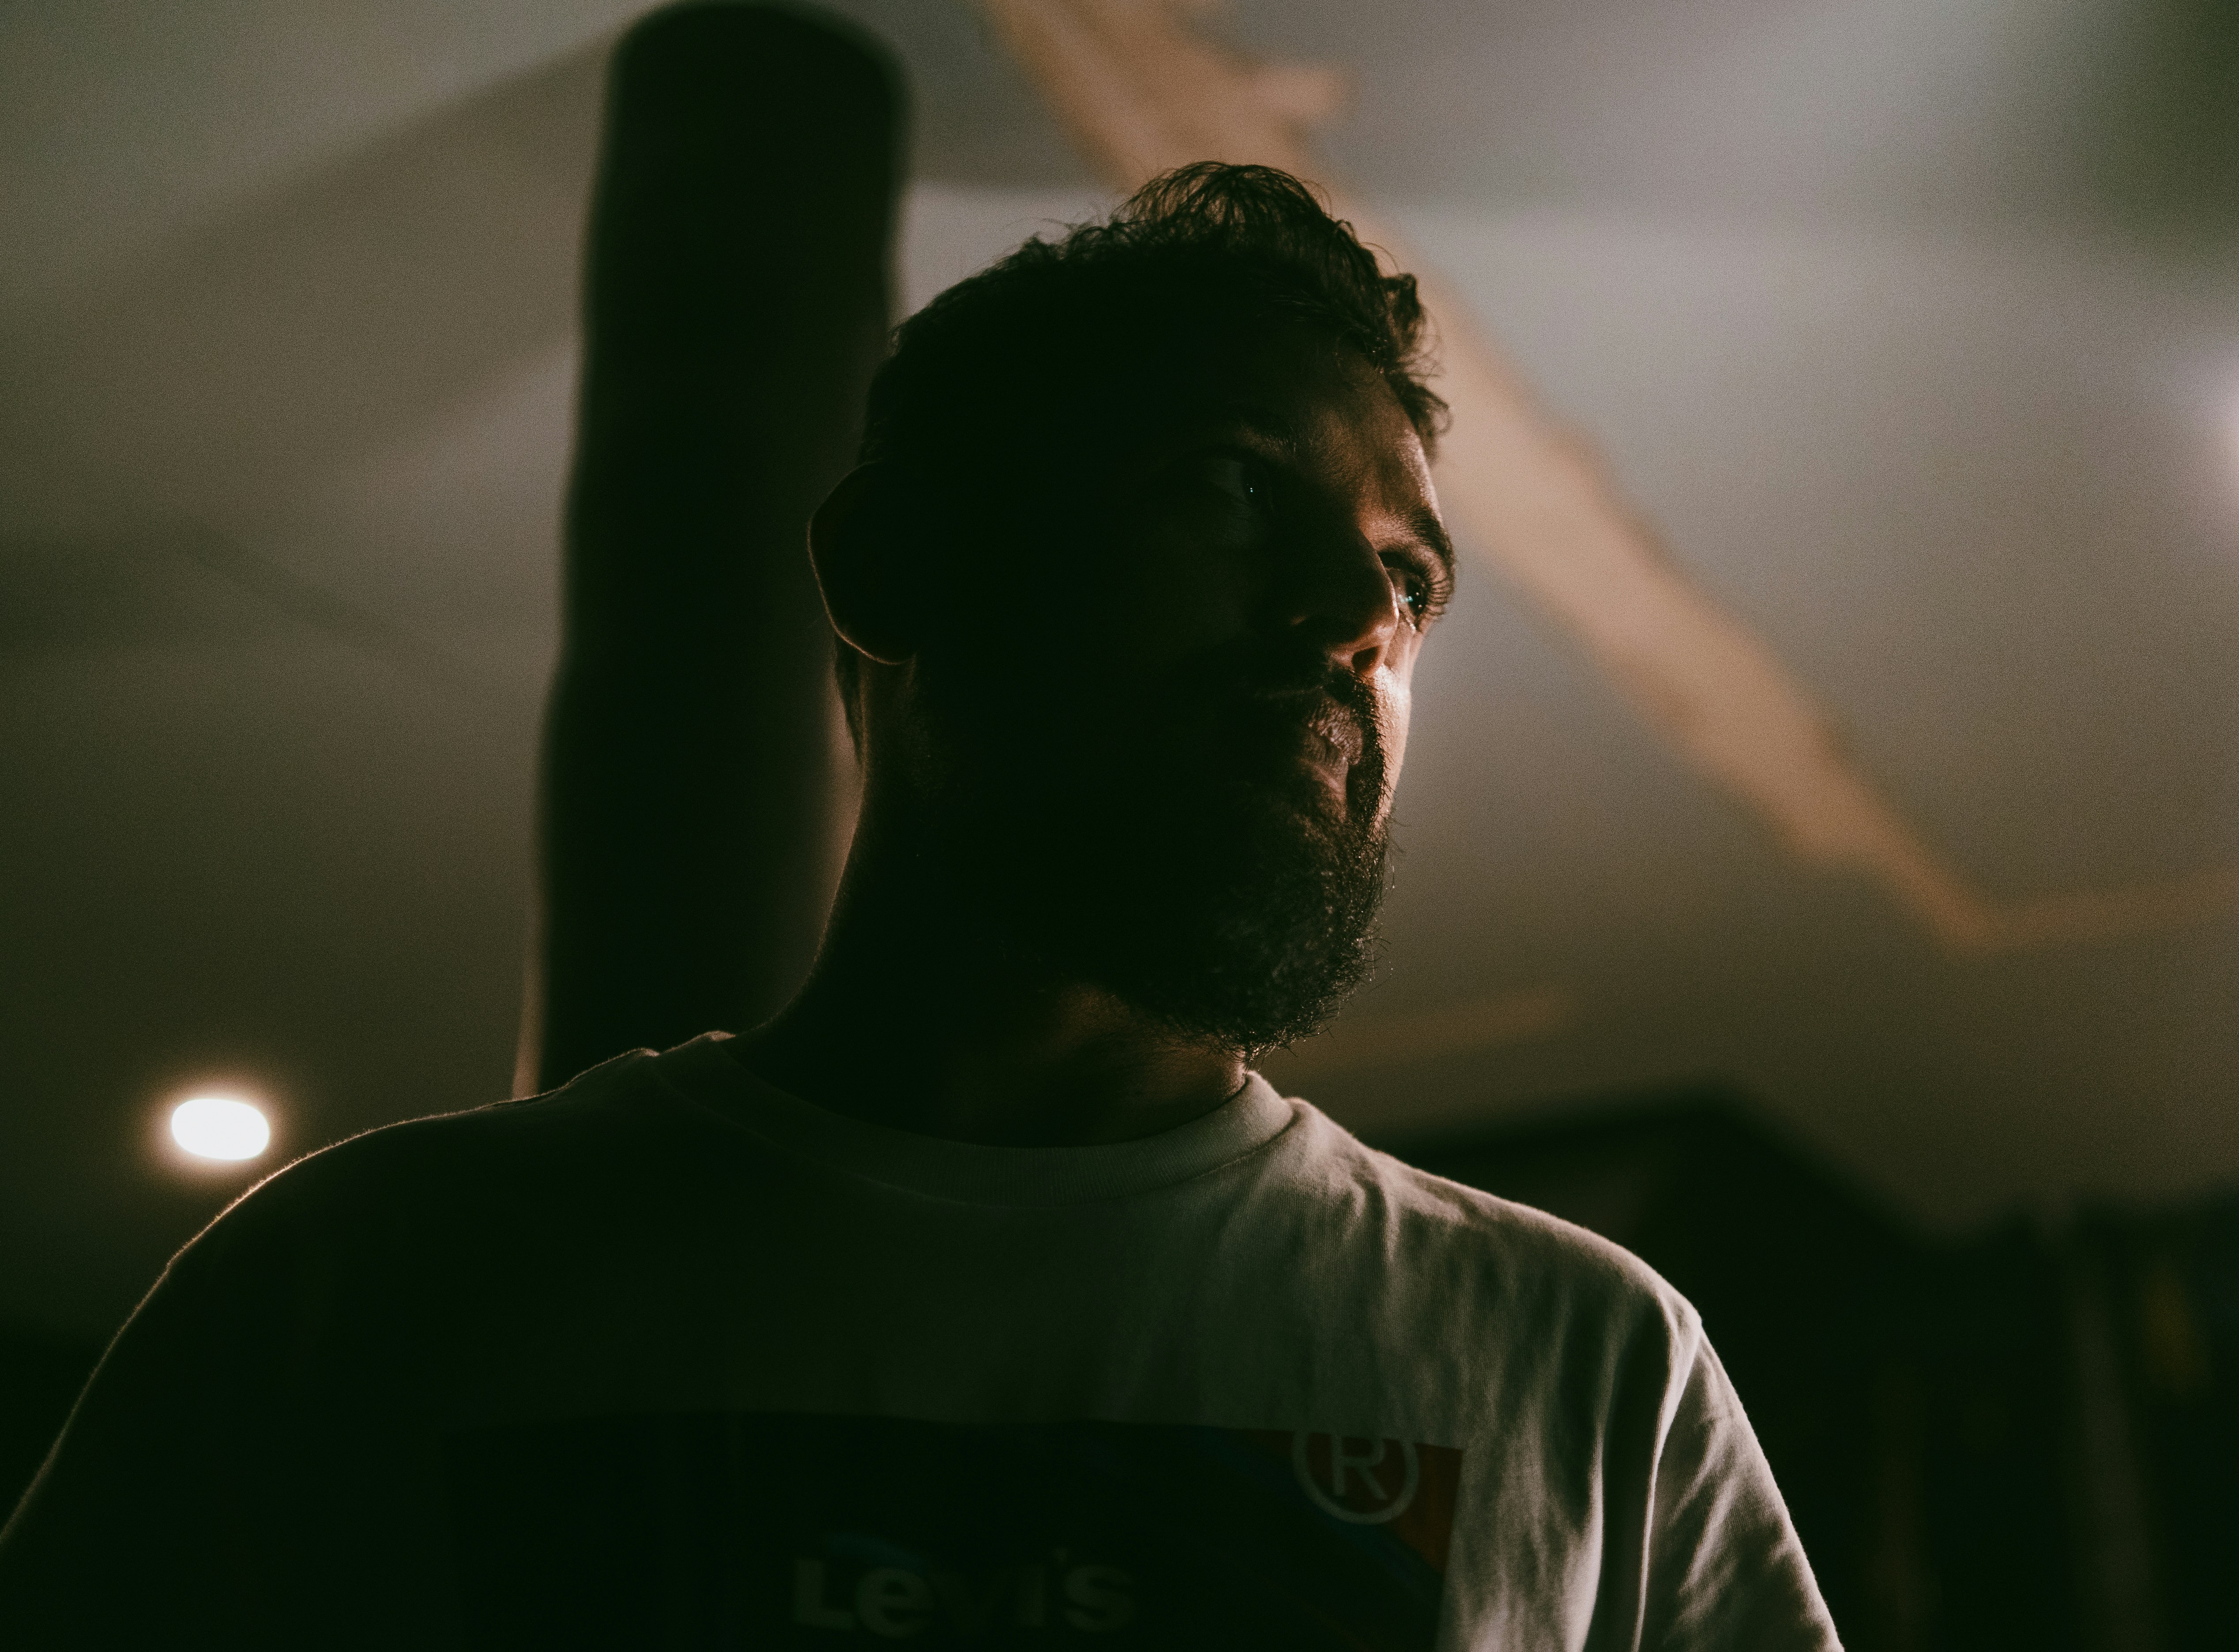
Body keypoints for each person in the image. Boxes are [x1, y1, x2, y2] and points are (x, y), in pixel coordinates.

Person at [0, 15, 1840, 1651]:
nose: (1359, 618)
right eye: (1228, 487)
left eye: (1409, 579)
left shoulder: (1587, 1366)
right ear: (898, 568)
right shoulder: (356, 1289)